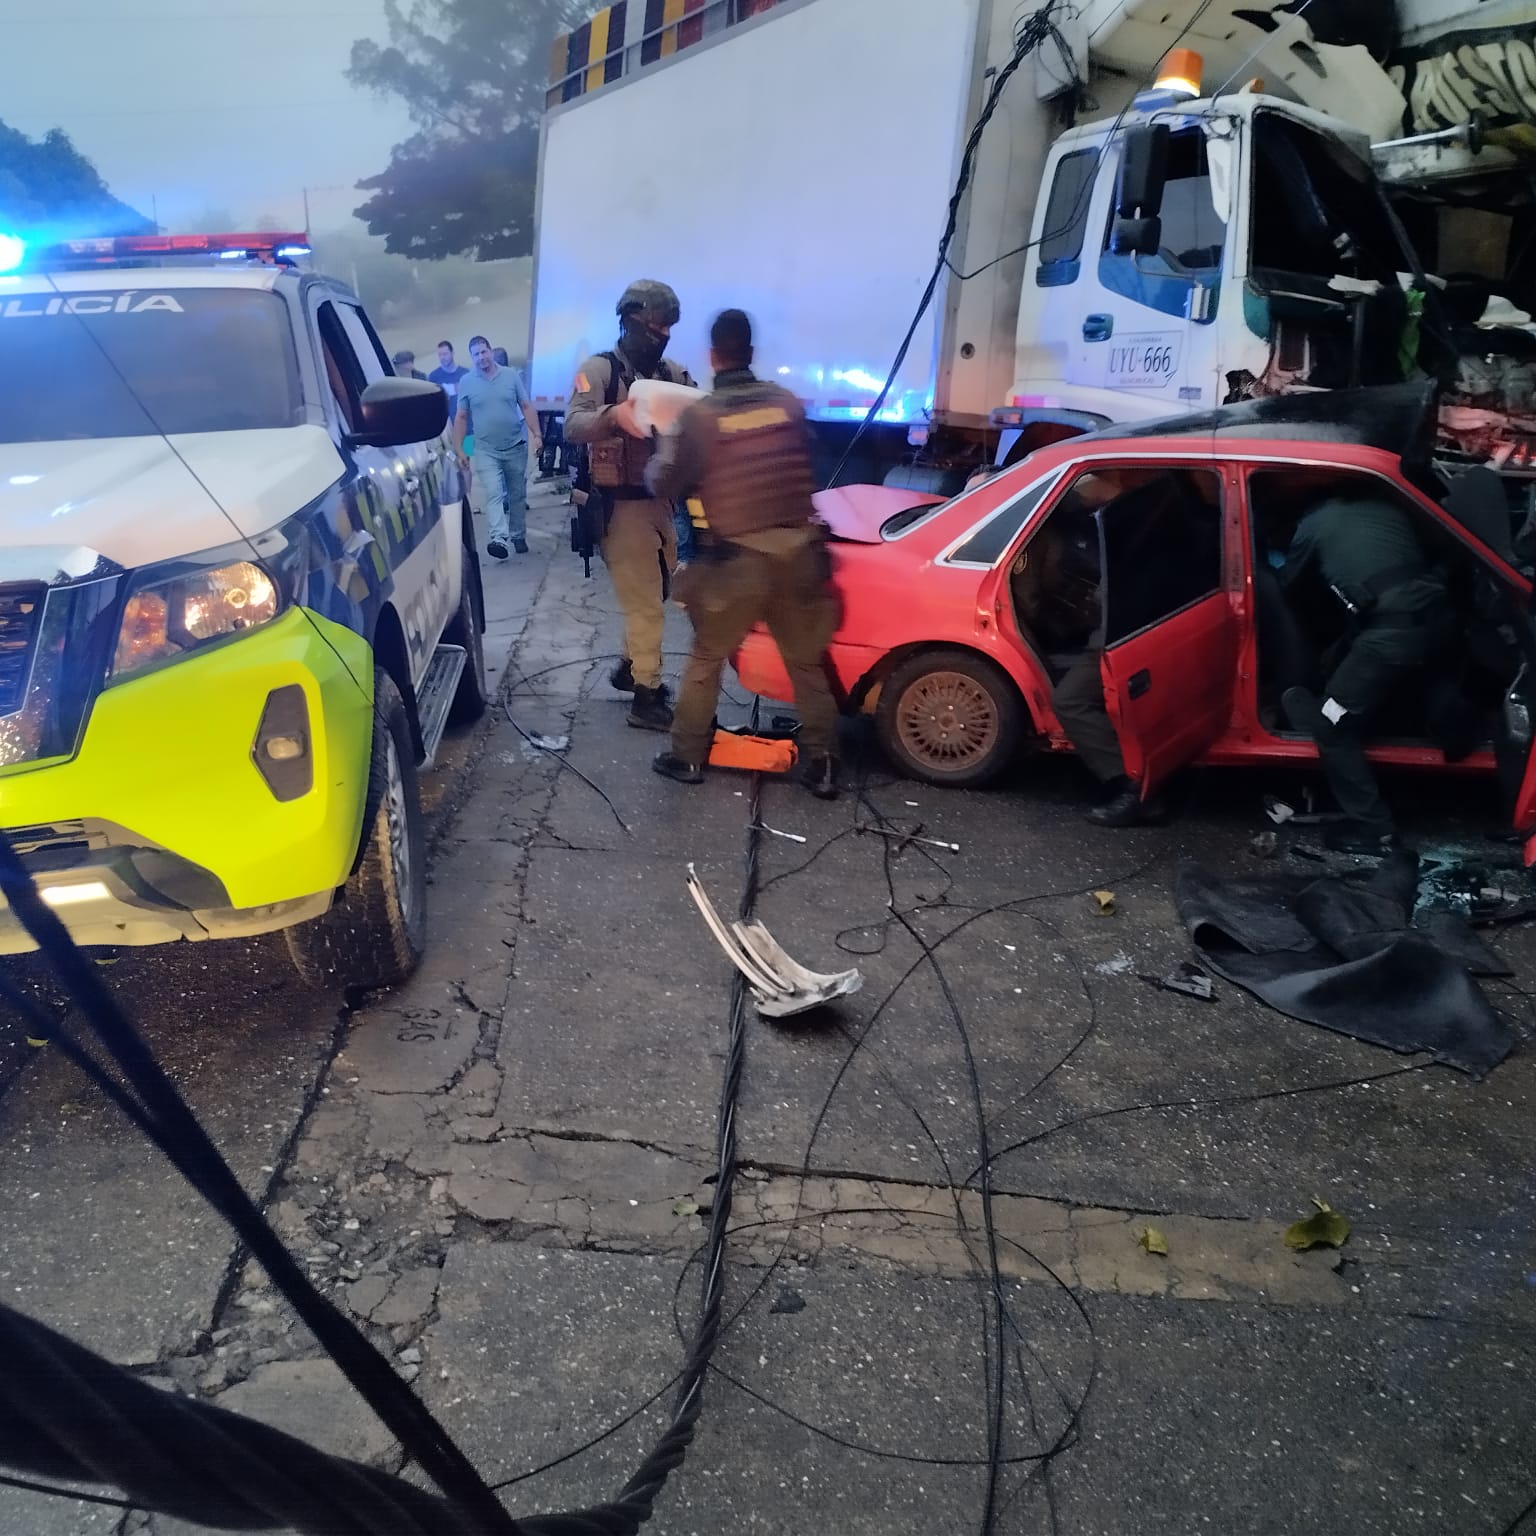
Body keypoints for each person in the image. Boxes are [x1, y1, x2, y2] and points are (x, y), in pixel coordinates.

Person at [644, 309, 839, 797]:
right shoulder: (787, 403)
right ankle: (825, 766)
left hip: (739, 563)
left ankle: (686, 757)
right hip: (799, 554)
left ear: (713, 356)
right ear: (750, 353)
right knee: (806, 662)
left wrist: (664, 447)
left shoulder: (703, 417)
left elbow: (667, 481)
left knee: (708, 655)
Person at [1272, 478, 1446, 854]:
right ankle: (1334, 701)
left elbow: (1289, 586)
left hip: (1388, 641)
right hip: (1436, 624)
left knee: (1330, 729)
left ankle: (1374, 829)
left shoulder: (1314, 524)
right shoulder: (1388, 508)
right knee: (1339, 657)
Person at [563, 280, 696, 732]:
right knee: (646, 605)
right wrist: (615, 416)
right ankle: (647, 695)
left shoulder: (672, 374)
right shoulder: (598, 371)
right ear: (629, 321)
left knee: (656, 590)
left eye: (667, 327)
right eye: (654, 325)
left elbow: (699, 414)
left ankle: (628, 667)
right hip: (619, 508)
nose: (661, 334)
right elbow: (573, 424)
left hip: (660, 504)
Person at [453, 336, 542, 560]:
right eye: (476, 354)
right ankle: (499, 539)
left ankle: (517, 534)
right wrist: (460, 449)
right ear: (471, 357)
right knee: (493, 492)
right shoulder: (467, 382)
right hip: (484, 448)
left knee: (517, 493)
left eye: (484, 352)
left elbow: (526, 405)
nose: (481, 357)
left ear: (490, 352)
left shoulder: (510, 376)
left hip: (514, 445)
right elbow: (461, 417)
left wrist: (537, 434)